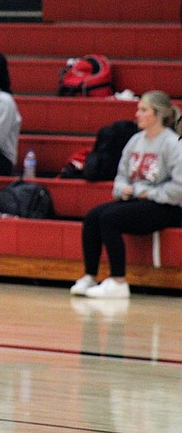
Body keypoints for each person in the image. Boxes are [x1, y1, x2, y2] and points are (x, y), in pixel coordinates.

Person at [70, 91, 182, 299]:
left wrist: (146, 192)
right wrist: (122, 189)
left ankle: (119, 281)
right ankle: (90, 276)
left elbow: (179, 188)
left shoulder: (173, 143)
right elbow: (121, 175)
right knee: (93, 215)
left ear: (157, 114)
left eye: (143, 110)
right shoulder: (135, 141)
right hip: (137, 201)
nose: (137, 114)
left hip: (167, 206)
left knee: (110, 218)